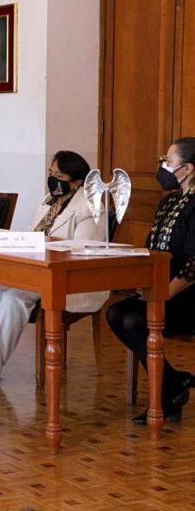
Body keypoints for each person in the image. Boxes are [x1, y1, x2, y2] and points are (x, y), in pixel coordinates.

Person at [0, 151, 108, 383]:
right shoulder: (47, 201)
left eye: (59, 175)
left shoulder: (90, 208)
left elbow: (81, 252)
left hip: (69, 280)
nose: (52, 179)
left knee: (14, 296)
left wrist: (42, 247)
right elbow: (31, 234)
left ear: (77, 181)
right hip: (37, 270)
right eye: (50, 173)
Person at [107, 137, 195, 424]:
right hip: (160, 287)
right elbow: (152, 248)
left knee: (135, 320)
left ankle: (166, 396)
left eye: (168, 162)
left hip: (185, 294)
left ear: (188, 168)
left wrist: (162, 294)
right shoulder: (169, 201)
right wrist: (143, 280)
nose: (163, 167)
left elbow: (194, 266)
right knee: (115, 313)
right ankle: (173, 382)